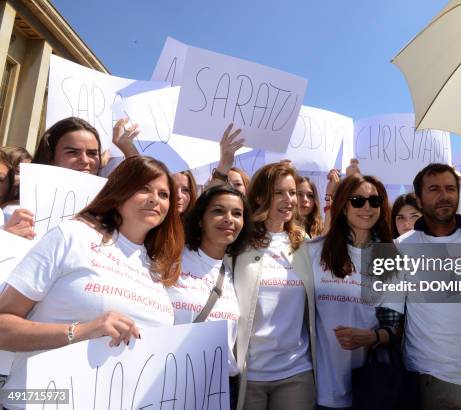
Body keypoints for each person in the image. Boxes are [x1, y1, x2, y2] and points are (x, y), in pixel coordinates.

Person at [0, 156, 184, 410]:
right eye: (144, 188)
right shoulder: (72, 236)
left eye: (164, 194)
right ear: (119, 192)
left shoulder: (157, 267)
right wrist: (84, 330)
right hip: (42, 400)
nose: (155, 198)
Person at [395, 163, 461, 410]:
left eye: (451, 188)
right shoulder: (401, 247)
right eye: (434, 189)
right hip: (426, 378)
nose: (444, 196)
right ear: (419, 198)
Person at [304, 174, 404, 409]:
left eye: (374, 201)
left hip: (371, 388)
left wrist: (373, 337)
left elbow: (396, 327)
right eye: (358, 201)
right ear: (343, 205)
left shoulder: (391, 258)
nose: (367, 207)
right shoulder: (313, 251)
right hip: (316, 387)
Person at [233, 162, 315, 410]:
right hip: (249, 375)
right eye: (279, 192)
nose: (289, 199)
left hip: (296, 372)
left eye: (292, 192)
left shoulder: (303, 243)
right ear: (260, 196)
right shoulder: (239, 242)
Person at [167, 185, 252, 410]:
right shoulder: (172, 258)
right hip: (170, 383)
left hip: (222, 389)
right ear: (200, 219)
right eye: (218, 211)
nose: (229, 219)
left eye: (237, 213)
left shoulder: (236, 272)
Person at [4, 117, 139, 239]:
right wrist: (8, 238)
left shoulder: (109, 210)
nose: (85, 160)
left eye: (92, 153)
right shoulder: (15, 213)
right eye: (72, 152)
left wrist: (128, 148)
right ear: (50, 156)